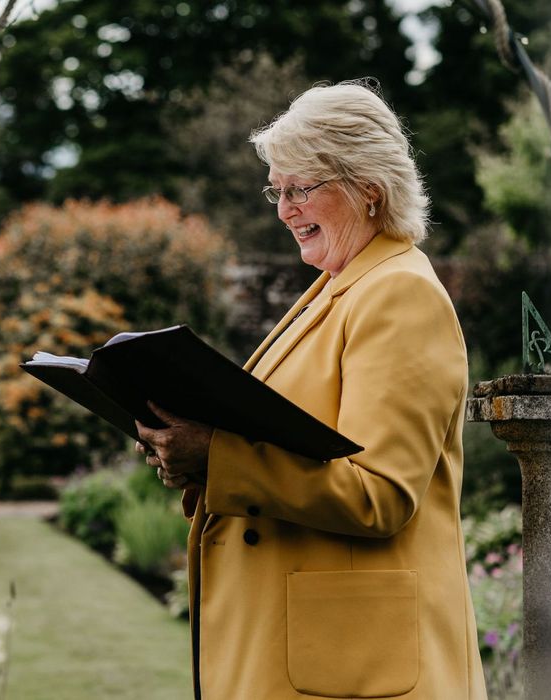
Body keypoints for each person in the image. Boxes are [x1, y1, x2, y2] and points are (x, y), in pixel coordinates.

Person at [136, 81, 487, 700]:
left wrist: (218, 457)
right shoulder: (339, 283)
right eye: (278, 189)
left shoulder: (398, 294)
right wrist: (188, 450)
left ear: (368, 190)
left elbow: (379, 494)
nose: (283, 209)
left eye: (300, 189)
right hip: (308, 657)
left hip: (356, 669)